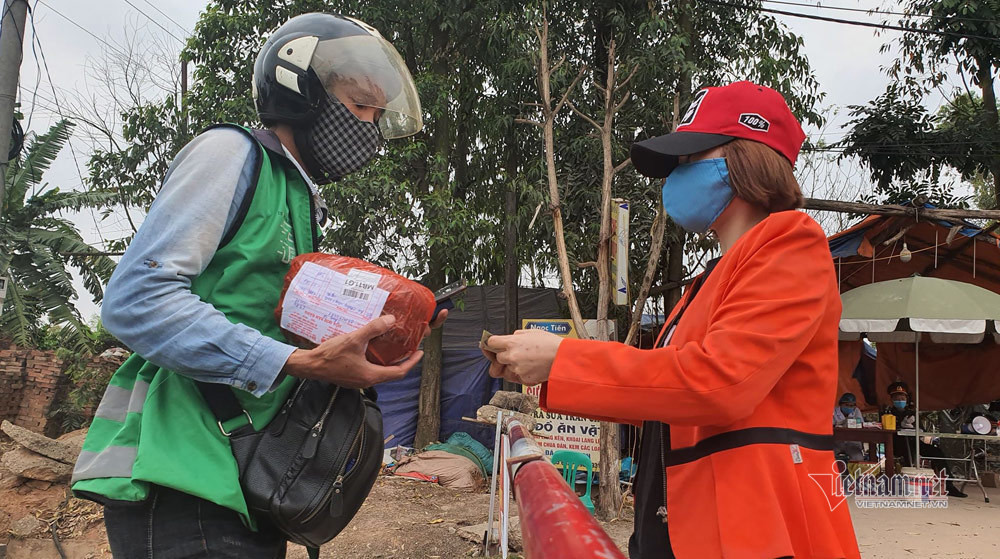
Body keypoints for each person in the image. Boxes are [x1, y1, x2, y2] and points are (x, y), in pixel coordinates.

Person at [71, 14, 444, 558]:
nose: (369, 126)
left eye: (378, 114)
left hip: (244, 479)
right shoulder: (232, 154)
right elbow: (135, 301)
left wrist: (389, 329)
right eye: (361, 104)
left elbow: (259, 316)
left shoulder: (298, 199)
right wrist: (298, 364)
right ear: (302, 86)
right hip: (183, 475)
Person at [485, 82, 860, 558]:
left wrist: (564, 358)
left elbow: (717, 383)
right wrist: (546, 371)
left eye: (691, 159)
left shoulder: (792, 243)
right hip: (680, 520)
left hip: (755, 531)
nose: (676, 177)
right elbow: (662, 394)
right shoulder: (710, 281)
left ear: (747, 159)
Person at [884, 381, 967, 497]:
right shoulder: (887, 413)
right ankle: (906, 486)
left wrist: (913, 427)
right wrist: (899, 426)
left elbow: (922, 431)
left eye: (902, 397)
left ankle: (949, 485)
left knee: (936, 452)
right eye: (897, 397)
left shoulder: (912, 413)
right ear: (892, 399)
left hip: (915, 444)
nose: (900, 400)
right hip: (897, 444)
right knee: (907, 456)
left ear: (906, 399)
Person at [834, 392, 866, 462]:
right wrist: (842, 422)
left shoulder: (856, 411)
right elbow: (831, 425)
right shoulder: (834, 411)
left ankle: (855, 473)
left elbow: (861, 424)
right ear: (841, 404)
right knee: (828, 457)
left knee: (858, 459)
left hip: (852, 443)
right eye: (846, 405)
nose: (849, 407)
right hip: (837, 443)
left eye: (851, 406)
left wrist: (849, 423)